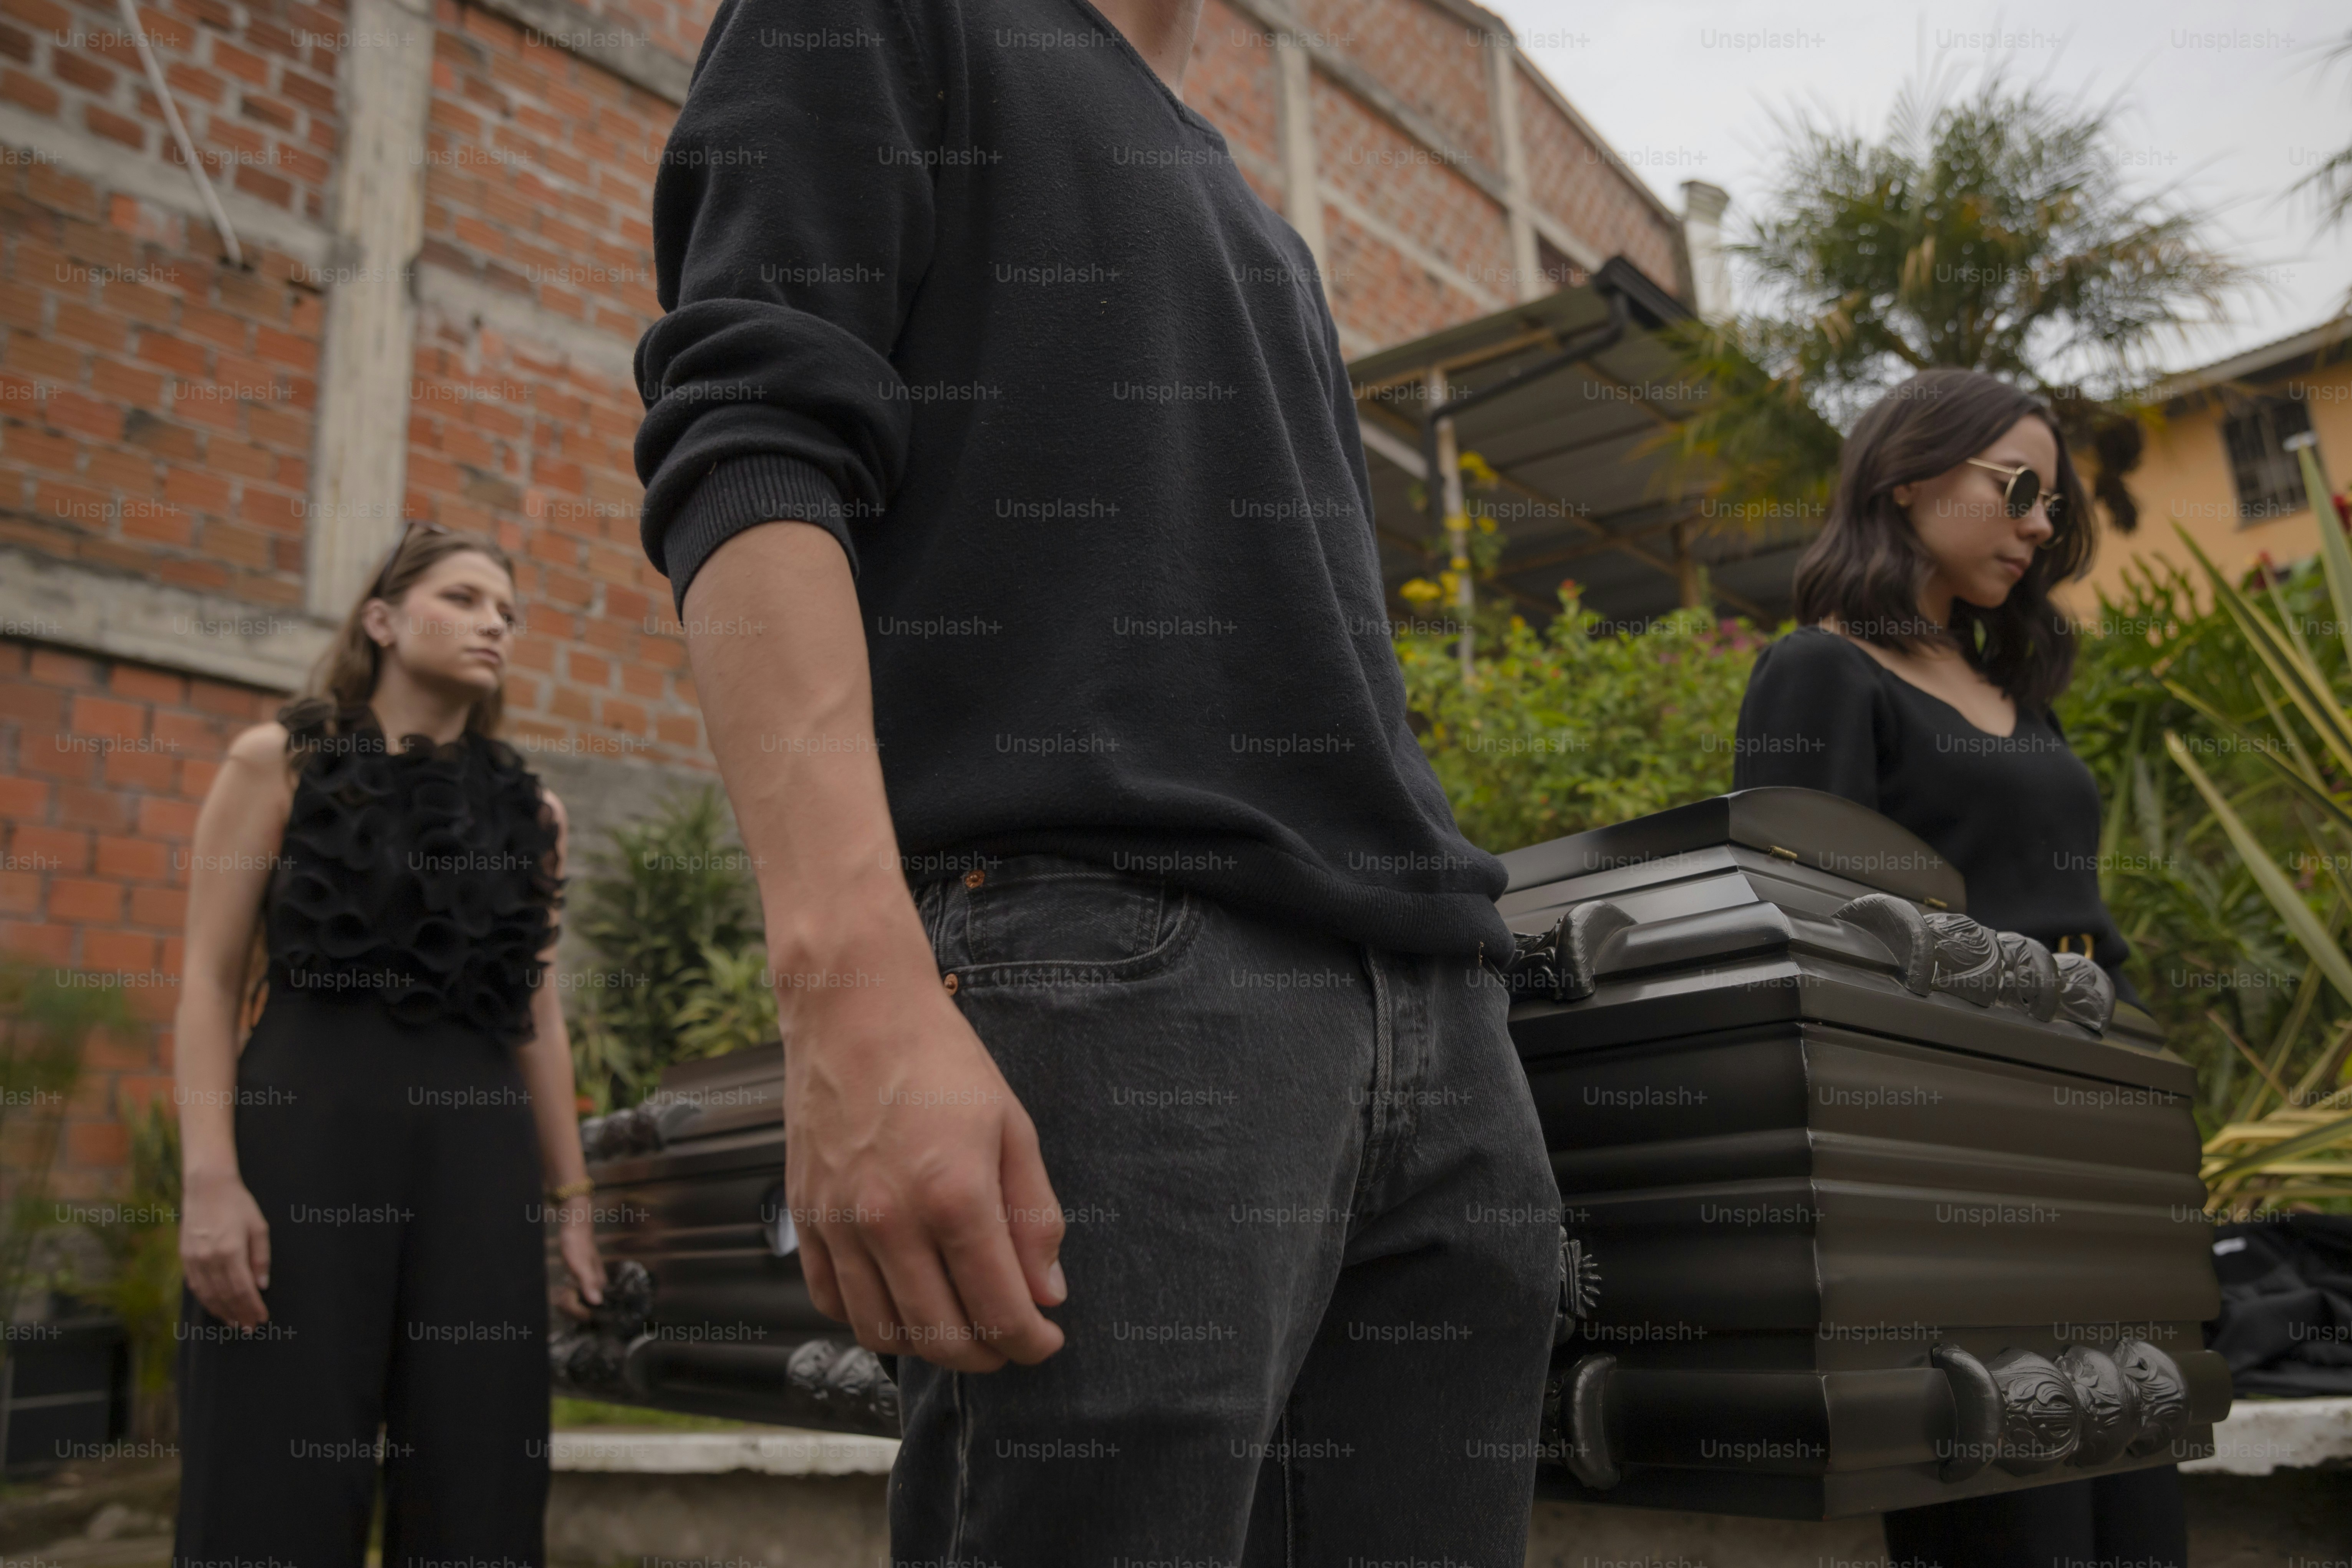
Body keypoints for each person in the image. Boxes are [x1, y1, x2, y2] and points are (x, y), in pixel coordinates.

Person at [631, 0, 1563, 1560]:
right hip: (1117, 983)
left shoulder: (1258, 223)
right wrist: (847, 984)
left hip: (1433, 1014)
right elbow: (750, 443)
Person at [1732, 366, 2182, 1567]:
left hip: (2104, 1131)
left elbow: (2080, 920)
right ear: (1904, 477)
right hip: (1964, 1151)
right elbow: (1805, 933)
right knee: (2008, 1486)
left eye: (2052, 503)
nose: (2039, 524)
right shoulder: (1820, 670)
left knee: (2138, 1483)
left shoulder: (2012, 692)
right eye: (2016, 487)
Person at [172, 523, 605, 1566]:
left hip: (479, 1158)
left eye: (507, 611)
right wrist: (209, 1181)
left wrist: (574, 1201)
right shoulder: (278, 763)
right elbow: (208, 982)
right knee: (271, 1468)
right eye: (463, 598)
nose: (494, 623)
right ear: (381, 619)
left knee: (480, 1467)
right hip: (302, 1143)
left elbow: (538, 1015)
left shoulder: (534, 811)